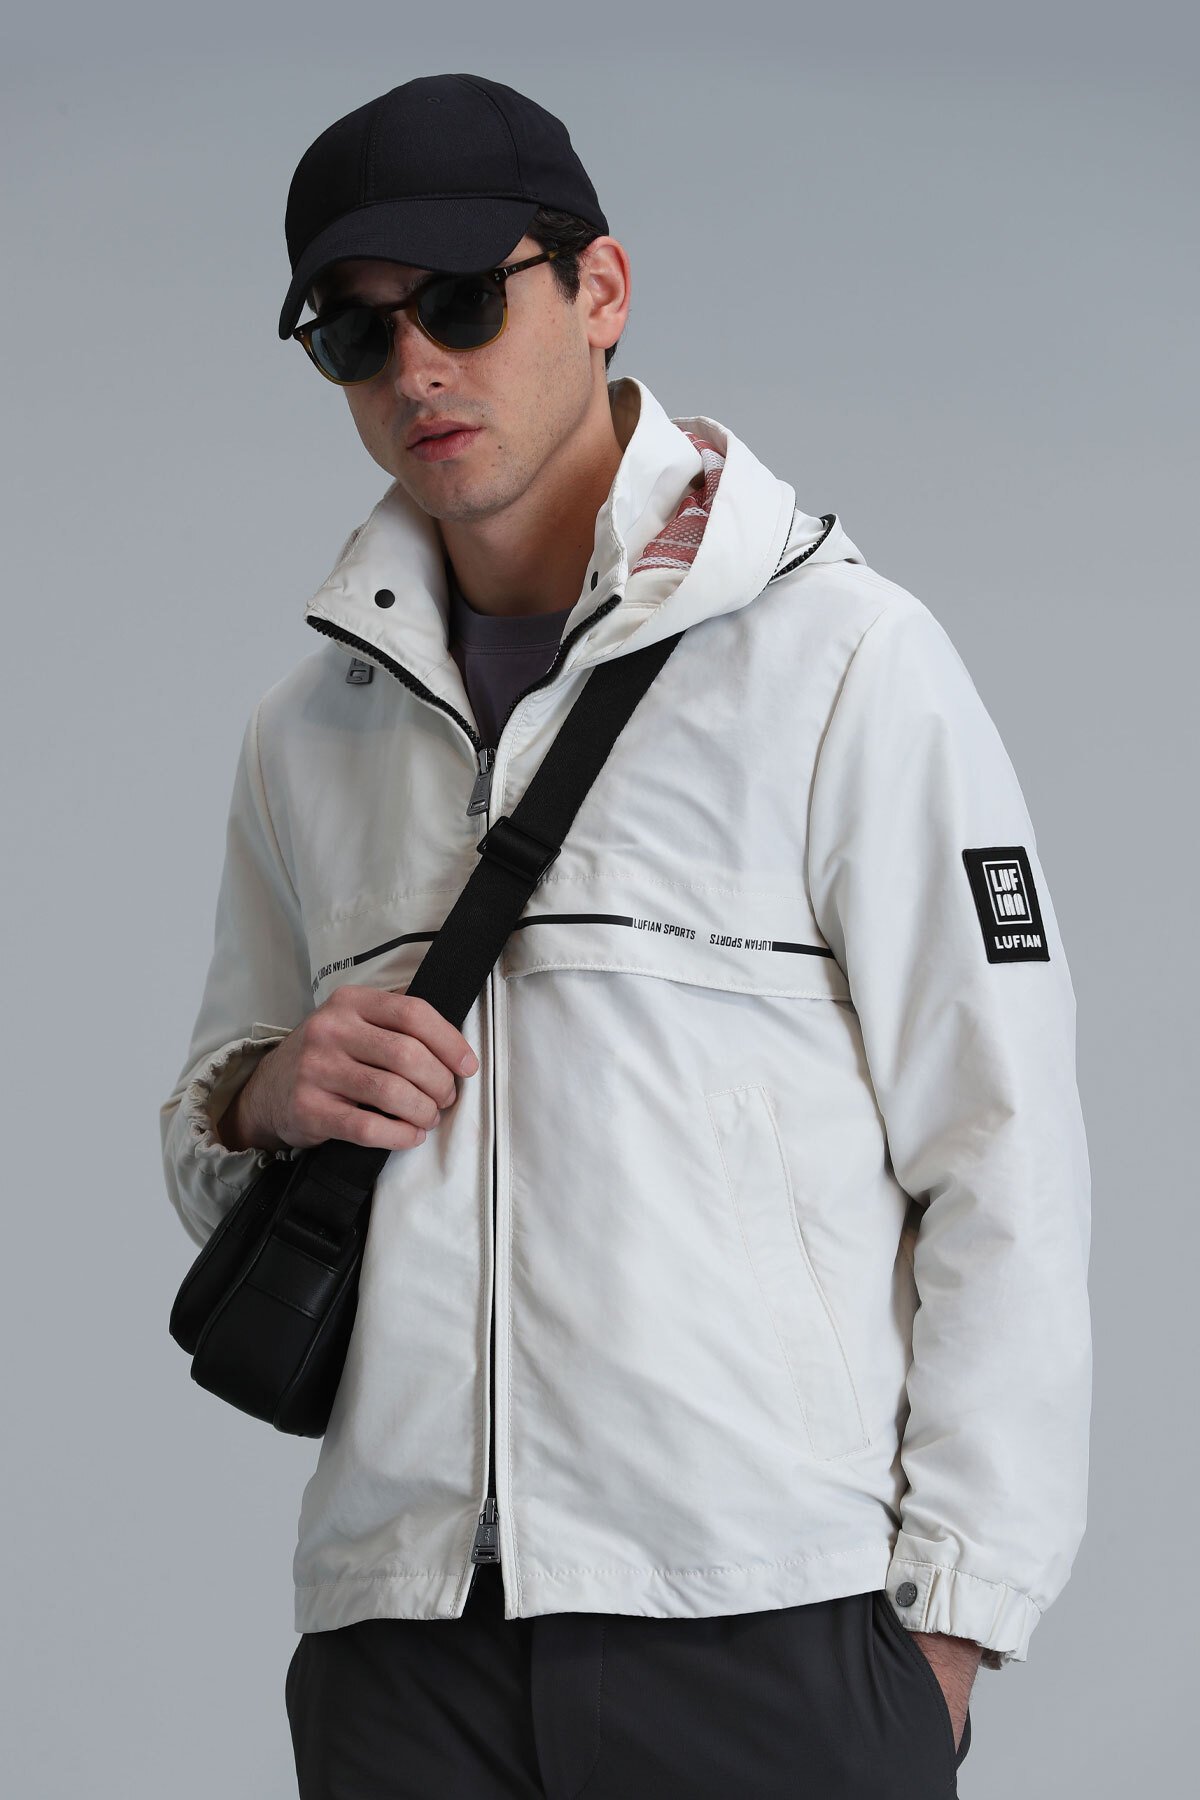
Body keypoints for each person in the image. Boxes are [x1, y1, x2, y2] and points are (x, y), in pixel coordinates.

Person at [159, 71, 1093, 1800]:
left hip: (761, 1622)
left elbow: (1004, 1154)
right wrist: (263, 1095)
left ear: (599, 289)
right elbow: (214, 1141)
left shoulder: (844, 663)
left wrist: (952, 1633)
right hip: (399, 1642)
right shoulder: (308, 732)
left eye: (460, 301)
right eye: (356, 334)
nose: (415, 367)